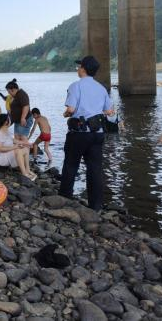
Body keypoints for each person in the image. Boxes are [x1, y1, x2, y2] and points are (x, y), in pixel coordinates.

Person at [59, 56, 114, 212]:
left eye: (79, 67)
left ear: (83, 68)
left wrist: (65, 115)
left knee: (71, 165)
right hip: (98, 134)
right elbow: (110, 111)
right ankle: (95, 206)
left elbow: (70, 109)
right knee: (95, 169)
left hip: (79, 134)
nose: (78, 69)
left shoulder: (76, 86)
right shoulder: (102, 88)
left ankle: (64, 199)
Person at [0, 114, 36, 181]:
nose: (10, 121)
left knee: (26, 148)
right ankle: (24, 173)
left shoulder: (7, 131)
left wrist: (27, 143)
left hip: (7, 153)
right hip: (0, 157)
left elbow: (14, 140)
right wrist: (14, 147)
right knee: (18, 150)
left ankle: (28, 170)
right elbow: (0, 149)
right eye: (9, 119)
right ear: (6, 122)